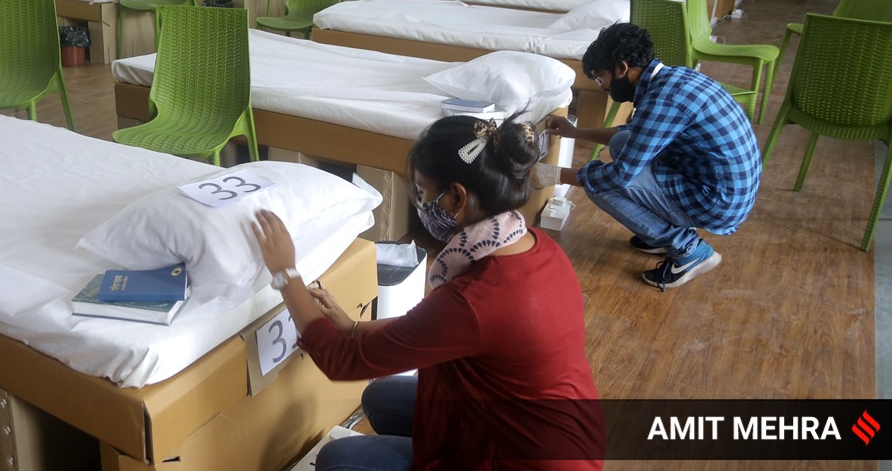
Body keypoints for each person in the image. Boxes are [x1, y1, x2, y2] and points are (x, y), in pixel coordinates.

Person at [252, 115, 603, 470]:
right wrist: (353, 328)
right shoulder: (534, 246)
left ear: (457, 196)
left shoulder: (476, 299)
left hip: (523, 459)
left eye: (423, 193)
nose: (422, 205)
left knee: (340, 460)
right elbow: (430, 328)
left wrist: (285, 272)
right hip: (562, 435)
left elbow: (343, 360)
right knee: (381, 396)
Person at [537, 23, 761, 291]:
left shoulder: (665, 100)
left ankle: (688, 249)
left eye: (601, 78)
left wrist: (552, 174)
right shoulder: (672, 79)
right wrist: (576, 132)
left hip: (717, 200)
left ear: (621, 68)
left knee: (599, 184)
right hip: (721, 186)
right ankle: (657, 233)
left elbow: (619, 176)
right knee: (622, 143)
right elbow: (635, 134)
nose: (603, 86)